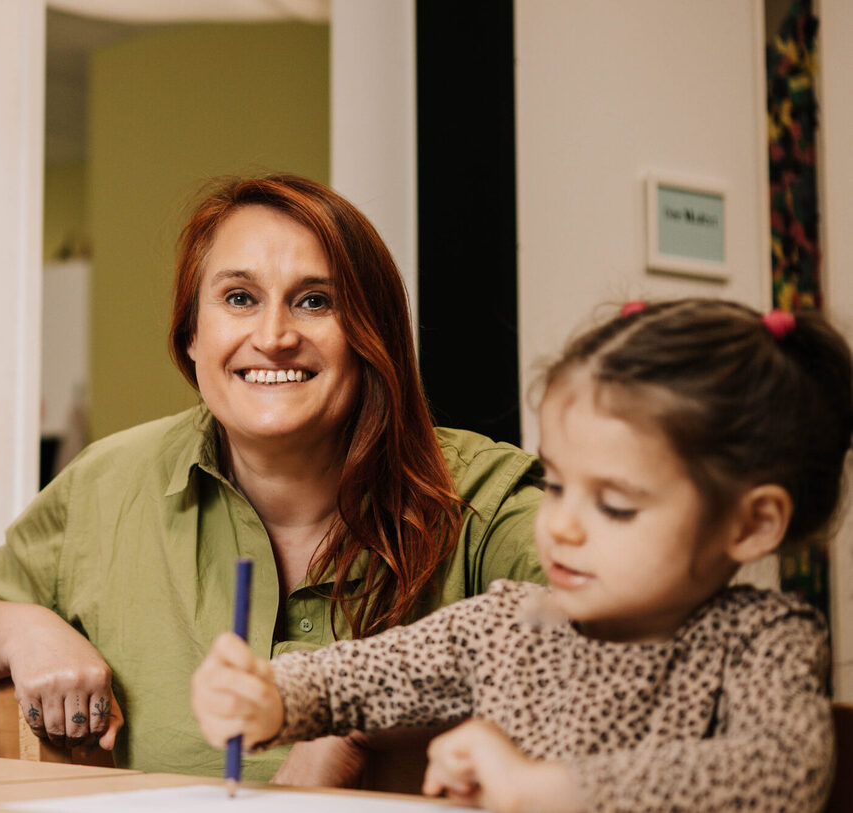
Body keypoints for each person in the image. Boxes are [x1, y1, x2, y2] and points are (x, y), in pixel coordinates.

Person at [0, 174, 543, 781]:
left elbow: (613, 642)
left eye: (316, 301)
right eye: (240, 298)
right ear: (192, 334)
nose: (273, 337)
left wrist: (347, 718)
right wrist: (28, 630)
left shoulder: (485, 495)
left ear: (370, 335)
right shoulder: (109, 480)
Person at [192, 298, 850, 812]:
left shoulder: (761, 639)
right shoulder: (509, 624)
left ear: (752, 523)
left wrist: (542, 790)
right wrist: (267, 696)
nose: (560, 525)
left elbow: (781, 774)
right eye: (557, 485)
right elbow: (348, 680)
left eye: (615, 505)